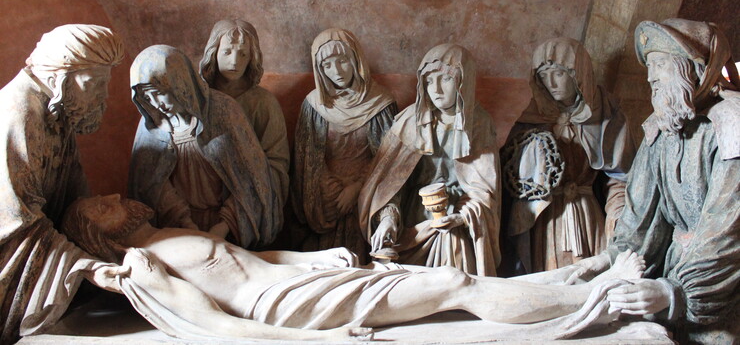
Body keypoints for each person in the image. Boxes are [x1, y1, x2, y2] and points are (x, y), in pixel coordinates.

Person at [61, 194, 647, 341]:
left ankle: (579, 277)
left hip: (304, 282)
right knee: (452, 285)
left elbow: (253, 259)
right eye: (100, 207)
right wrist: (320, 341)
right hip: (289, 310)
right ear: (98, 232)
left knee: (437, 281)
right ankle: (602, 300)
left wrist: (314, 257)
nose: (113, 197)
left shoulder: (167, 232)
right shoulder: (141, 265)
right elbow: (215, 326)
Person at [563, 19, 740, 344]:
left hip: (723, 287)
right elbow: (642, 216)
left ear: (691, 69)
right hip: (675, 273)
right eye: (649, 67)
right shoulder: (661, 128)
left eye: (660, 65)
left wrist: (674, 293)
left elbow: (726, 233)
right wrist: (610, 258)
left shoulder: (732, 124)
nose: (650, 77)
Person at [0, 24, 124, 343]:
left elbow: (75, 197)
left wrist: (107, 240)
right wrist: (86, 266)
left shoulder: (56, 108)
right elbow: (18, 224)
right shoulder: (19, 114)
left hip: (48, 245)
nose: (104, 95)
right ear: (60, 79)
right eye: (95, 83)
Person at [359, 43, 501, 275]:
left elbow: (484, 191)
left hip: (457, 215)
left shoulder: (479, 124)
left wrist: (462, 217)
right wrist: (388, 217)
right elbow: (389, 185)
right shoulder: (409, 122)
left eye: (446, 79)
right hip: (412, 220)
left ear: (463, 82)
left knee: (452, 245)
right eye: (429, 81)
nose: (436, 89)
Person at [502, 37, 636, 274]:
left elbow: (622, 177)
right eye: (544, 75)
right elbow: (511, 173)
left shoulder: (606, 116)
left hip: (587, 215)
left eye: (559, 74)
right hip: (545, 218)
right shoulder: (532, 118)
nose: (551, 83)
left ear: (578, 74)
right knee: (548, 277)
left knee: (591, 276)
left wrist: (617, 219)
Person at [128, 45, 280, 249]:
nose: (156, 104)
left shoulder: (223, 111)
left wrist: (224, 225)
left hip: (228, 228)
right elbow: (154, 186)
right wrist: (185, 223)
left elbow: (249, 178)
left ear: (179, 83)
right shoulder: (151, 127)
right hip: (178, 230)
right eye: (147, 98)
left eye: (159, 93)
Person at [291, 28, 397, 258]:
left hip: (368, 195)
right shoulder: (314, 105)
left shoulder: (380, 103)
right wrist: (332, 191)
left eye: (342, 61)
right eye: (327, 65)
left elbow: (387, 158)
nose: (336, 71)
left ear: (356, 59)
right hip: (326, 201)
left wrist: (357, 189)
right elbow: (308, 160)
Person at [198, 19, 290, 210]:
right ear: (213, 53)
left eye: (243, 54)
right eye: (227, 52)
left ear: (252, 58)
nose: (234, 61)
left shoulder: (264, 103)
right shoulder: (198, 99)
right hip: (202, 192)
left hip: (247, 195)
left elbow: (276, 163)